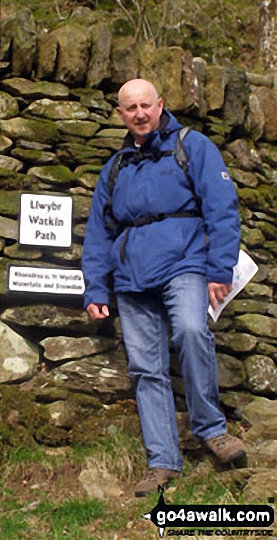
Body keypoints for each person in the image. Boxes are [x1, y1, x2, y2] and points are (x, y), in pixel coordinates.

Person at [81, 78, 246, 497]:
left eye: (145, 106)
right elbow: (99, 233)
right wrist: (96, 290)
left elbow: (221, 208)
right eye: (130, 108)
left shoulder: (192, 146)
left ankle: (213, 431)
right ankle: (162, 462)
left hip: (186, 263)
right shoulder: (115, 167)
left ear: (160, 106)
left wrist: (220, 269)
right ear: (120, 114)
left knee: (192, 332)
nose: (139, 114)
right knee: (144, 368)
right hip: (132, 278)